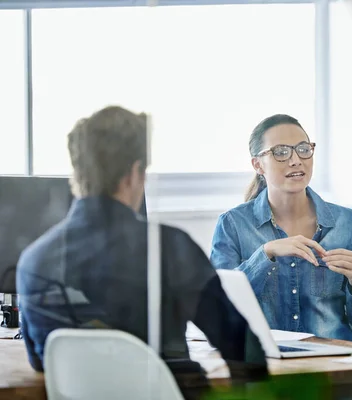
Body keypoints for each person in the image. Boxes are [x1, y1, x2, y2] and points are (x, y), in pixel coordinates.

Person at [16, 106, 267, 397]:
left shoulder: (33, 260)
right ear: (134, 173)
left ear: (77, 171)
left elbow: (43, 361)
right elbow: (244, 350)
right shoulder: (170, 248)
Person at [210, 114, 352, 342]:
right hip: (265, 364)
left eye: (303, 149)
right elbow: (216, 310)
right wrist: (265, 254)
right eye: (280, 152)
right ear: (257, 164)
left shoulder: (346, 221)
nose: (295, 160)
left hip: (334, 365)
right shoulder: (233, 224)